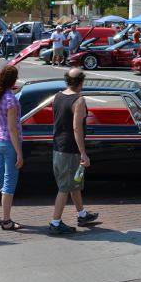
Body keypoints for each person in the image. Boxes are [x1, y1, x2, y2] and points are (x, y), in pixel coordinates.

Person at [49, 68, 98, 235]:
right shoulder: (79, 100)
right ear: (81, 82)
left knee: (72, 183)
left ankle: (82, 214)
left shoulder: (57, 96)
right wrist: (83, 153)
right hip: (70, 150)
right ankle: (55, 223)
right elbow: (77, 128)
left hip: (58, 147)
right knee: (64, 187)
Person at [0, 65, 24, 231]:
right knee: (9, 182)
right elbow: (12, 128)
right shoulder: (11, 100)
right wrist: (19, 153)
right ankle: (7, 221)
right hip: (9, 143)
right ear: (13, 81)